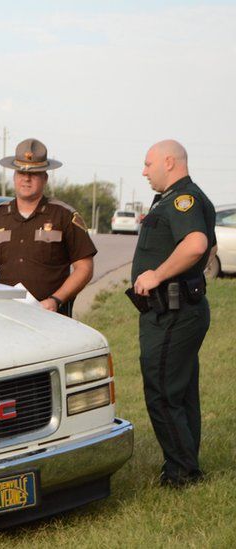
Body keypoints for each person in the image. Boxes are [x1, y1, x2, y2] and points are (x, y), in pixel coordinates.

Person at [131, 139, 214, 488]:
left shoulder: (184, 199)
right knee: (180, 391)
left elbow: (196, 244)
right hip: (176, 310)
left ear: (169, 162)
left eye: (148, 164)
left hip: (173, 312)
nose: (144, 171)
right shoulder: (174, 198)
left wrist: (157, 275)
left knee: (163, 392)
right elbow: (202, 248)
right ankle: (187, 464)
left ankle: (181, 473)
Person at [0, 138, 96, 316]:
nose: (26, 178)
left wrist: (56, 300)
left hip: (49, 316)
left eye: (34, 174)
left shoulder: (64, 216)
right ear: (14, 177)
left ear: (45, 178)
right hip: (1, 315)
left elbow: (85, 268)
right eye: (21, 173)